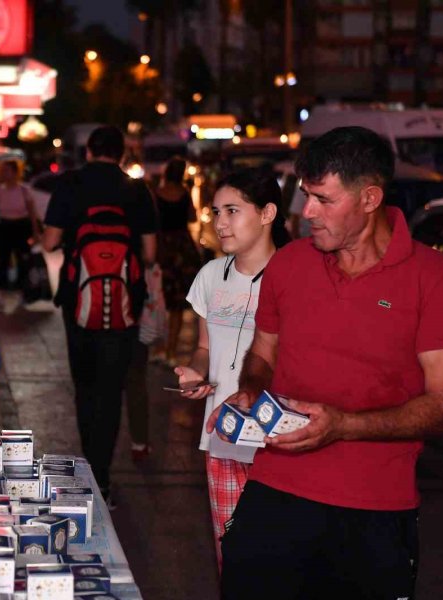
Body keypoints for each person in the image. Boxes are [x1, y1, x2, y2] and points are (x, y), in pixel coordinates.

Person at [208, 126, 443, 599]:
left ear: (370, 198)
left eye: (323, 200)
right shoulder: (289, 264)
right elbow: (264, 349)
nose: (306, 211)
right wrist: (251, 387)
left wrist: (343, 425)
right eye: (305, 195)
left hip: (374, 512)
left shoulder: (433, 280)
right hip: (275, 494)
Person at [174, 169, 290, 571]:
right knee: (231, 550)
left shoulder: (294, 279)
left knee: (277, 554)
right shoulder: (210, 276)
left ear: (267, 213)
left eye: (232, 211)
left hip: (277, 440)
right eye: (216, 211)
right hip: (221, 434)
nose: (219, 222)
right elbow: (205, 347)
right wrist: (194, 374)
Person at [42, 125, 158, 502]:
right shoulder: (136, 189)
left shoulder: (70, 185)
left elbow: (50, 241)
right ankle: (102, 477)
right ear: (122, 154)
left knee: (85, 386)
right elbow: (151, 254)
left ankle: (90, 468)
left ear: (89, 151)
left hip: (79, 300)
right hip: (125, 306)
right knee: (112, 389)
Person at [154, 157, 202, 366]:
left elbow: (153, 222)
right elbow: (192, 218)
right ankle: (172, 350)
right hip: (182, 248)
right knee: (177, 304)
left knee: (161, 301)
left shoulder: (157, 195)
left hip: (164, 247)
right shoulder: (184, 194)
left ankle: (163, 348)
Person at [0, 159, 41, 290]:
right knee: (3, 258)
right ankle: (2, 287)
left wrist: (35, 232)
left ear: (15, 173)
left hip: (21, 226)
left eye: (7, 171)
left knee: (22, 258)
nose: (4, 173)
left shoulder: (24, 190)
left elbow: (32, 213)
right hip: (5, 225)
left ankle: (22, 287)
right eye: (3, 171)